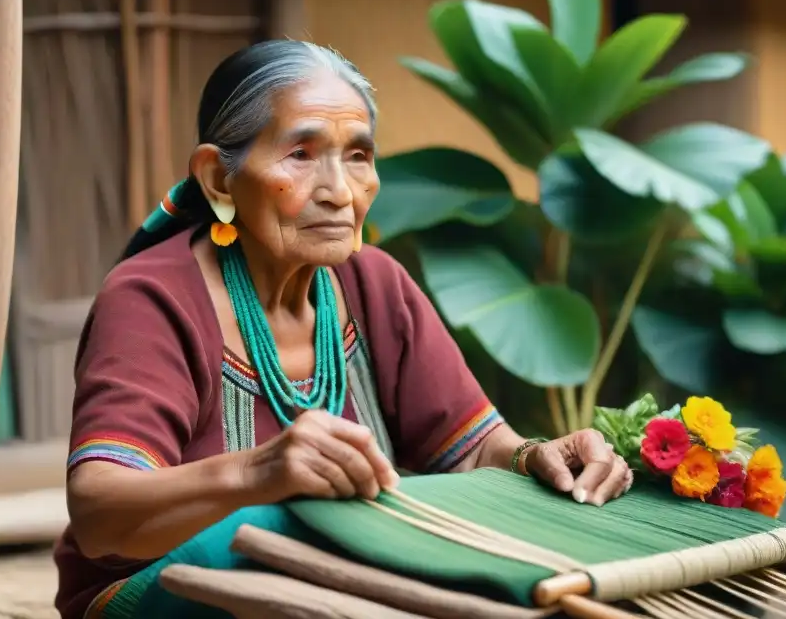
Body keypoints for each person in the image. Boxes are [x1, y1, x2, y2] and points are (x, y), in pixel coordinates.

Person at [54, 40, 633, 618]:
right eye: (301, 154)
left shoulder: (374, 284)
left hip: (334, 582)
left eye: (358, 156)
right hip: (161, 594)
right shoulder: (154, 298)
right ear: (219, 179)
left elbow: (473, 448)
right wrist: (259, 472)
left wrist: (537, 456)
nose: (339, 192)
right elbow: (101, 514)